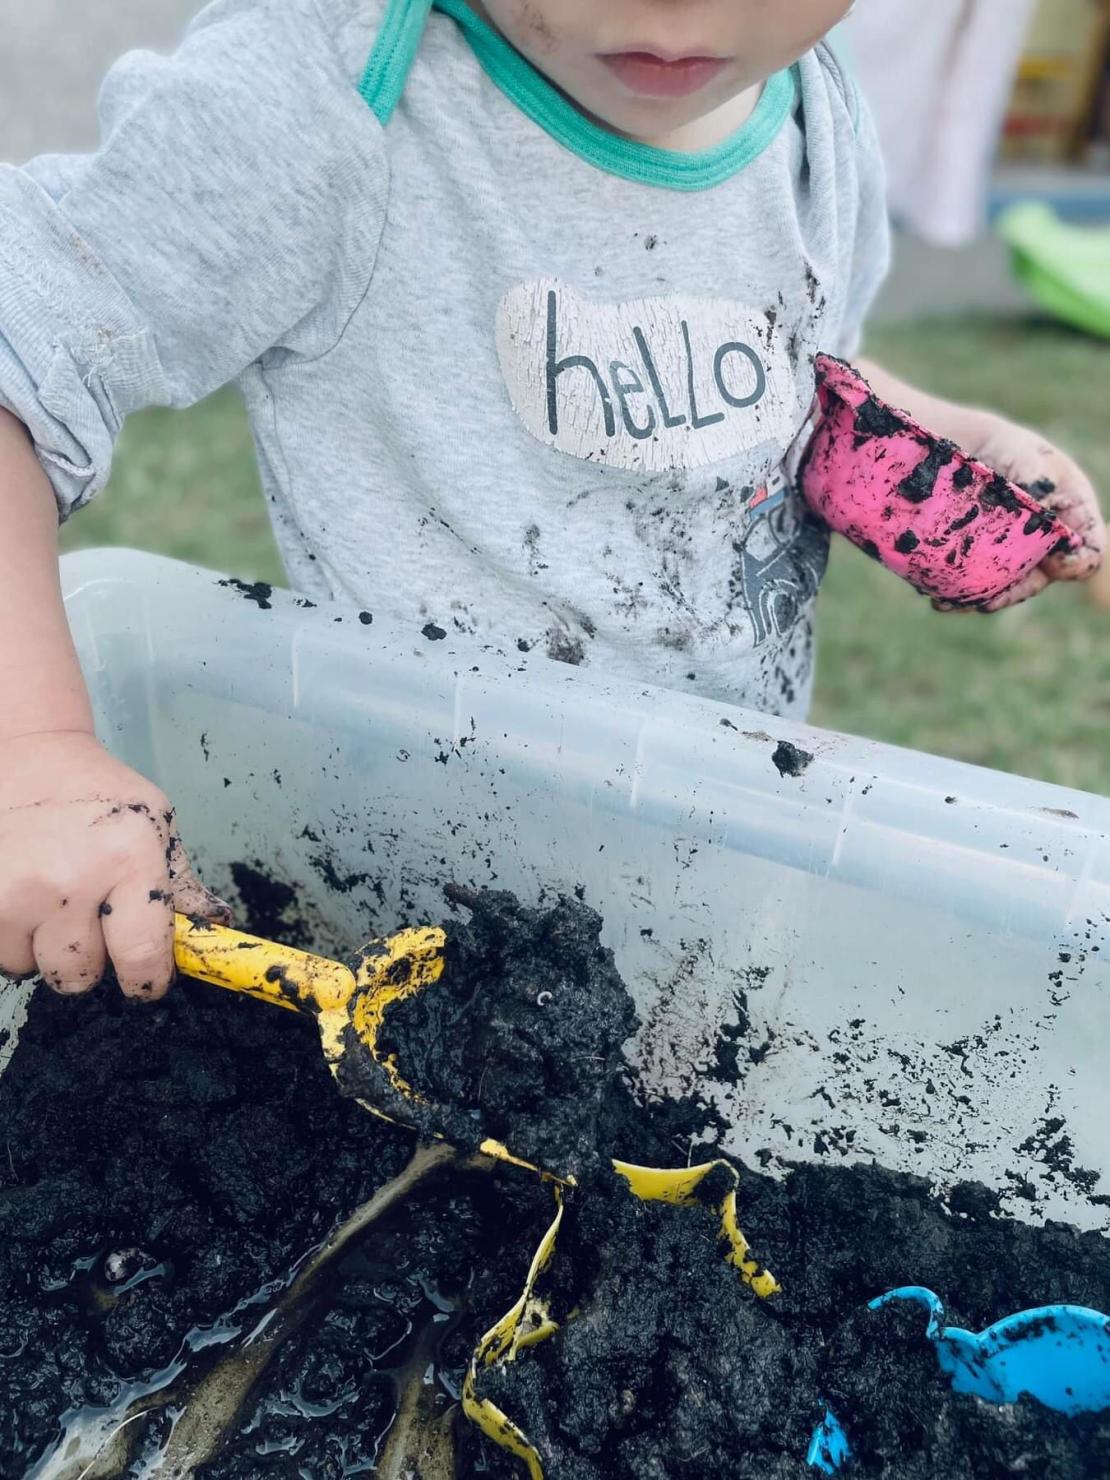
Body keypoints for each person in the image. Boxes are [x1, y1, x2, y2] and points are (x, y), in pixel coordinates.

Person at [0, 0, 1103, 1002]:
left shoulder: (812, 92)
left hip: (713, 855)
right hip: (408, 909)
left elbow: (779, 369)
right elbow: (23, 341)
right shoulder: (332, 95)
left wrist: (946, 448)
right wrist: (34, 744)